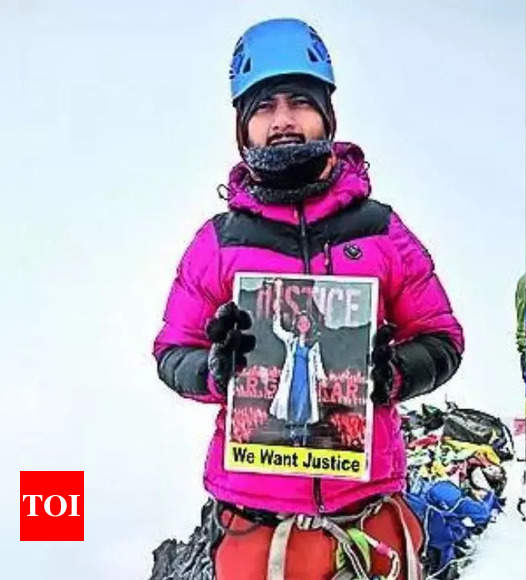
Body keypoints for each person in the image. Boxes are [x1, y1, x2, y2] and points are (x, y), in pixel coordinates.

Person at [152, 18, 463, 579]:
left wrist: (395, 373)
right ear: (243, 128)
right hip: (256, 527)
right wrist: (216, 372)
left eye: (299, 101)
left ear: (327, 114)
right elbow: (172, 352)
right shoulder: (217, 243)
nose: (283, 120)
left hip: (369, 522)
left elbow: (442, 338)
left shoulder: (383, 233)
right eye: (264, 107)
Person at [267, 279, 327, 447]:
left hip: (306, 380)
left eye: (306, 323)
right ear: (296, 325)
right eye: (300, 323)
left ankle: (302, 437)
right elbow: (277, 329)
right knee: (292, 405)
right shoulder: (291, 340)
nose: (303, 325)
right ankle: (293, 436)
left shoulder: (313, 343)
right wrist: (277, 310)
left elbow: (317, 362)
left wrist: (322, 377)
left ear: (309, 325)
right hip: (292, 378)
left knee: (304, 405)